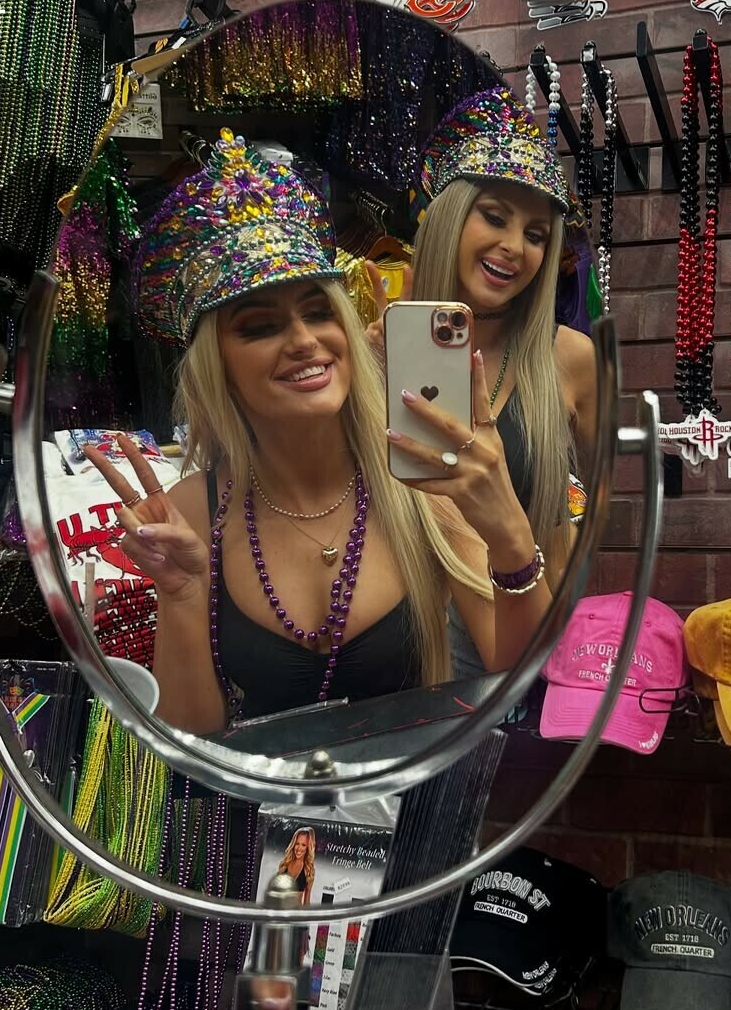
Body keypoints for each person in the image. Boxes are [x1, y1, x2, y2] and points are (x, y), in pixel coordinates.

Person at [83, 129, 552, 734]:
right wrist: (182, 594)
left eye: (318, 311)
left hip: (409, 791)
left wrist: (511, 535)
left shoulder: (421, 484)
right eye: (260, 327)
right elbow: (195, 743)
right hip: (257, 797)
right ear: (217, 369)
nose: (304, 341)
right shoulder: (193, 511)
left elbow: (519, 680)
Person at [367, 88, 598, 674]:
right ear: (449, 218)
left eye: (536, 234)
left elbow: (592, 512)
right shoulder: (375, 353)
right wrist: (370, 387)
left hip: (519, 642)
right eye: (494, 217)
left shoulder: (570, 359)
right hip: (394, 660)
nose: (513, 248)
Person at [277, 827, 316, 908]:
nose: (299, 848)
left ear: (308, 847)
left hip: (296, 913)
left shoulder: (308, 870)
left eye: (303, 845)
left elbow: (306, 902)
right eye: (297, 844)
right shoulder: (284, 864)